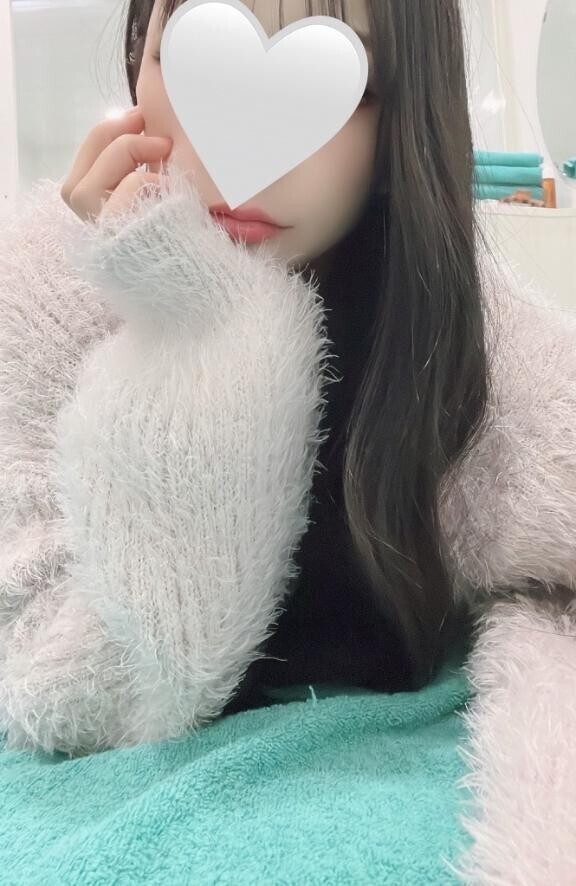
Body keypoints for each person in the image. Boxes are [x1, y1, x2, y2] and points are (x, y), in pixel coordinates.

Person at [1, 0, 576, 769]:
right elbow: (77, 696)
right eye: (202, 59)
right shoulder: (42, 293)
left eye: (335, 79)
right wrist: (196, 317)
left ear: (402, 120)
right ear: (141, 57)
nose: (250, 144)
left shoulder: (454, 332)